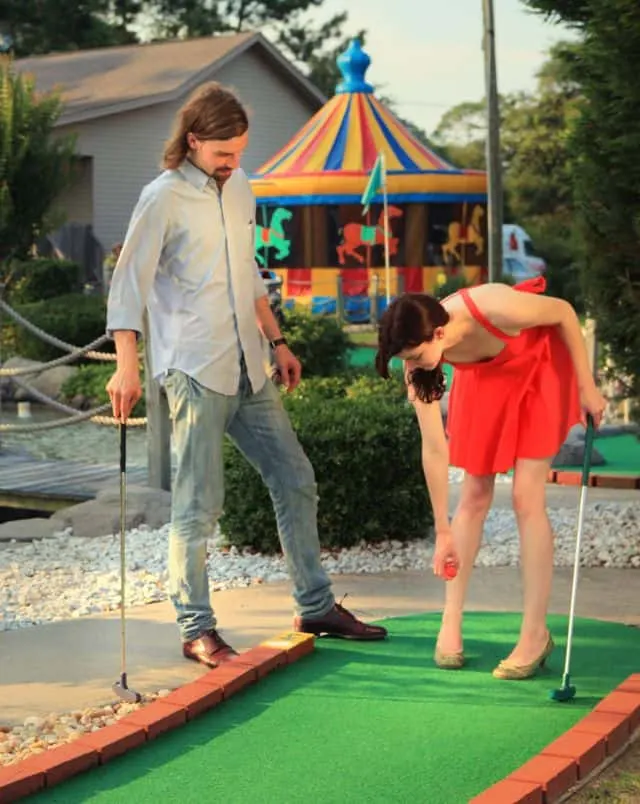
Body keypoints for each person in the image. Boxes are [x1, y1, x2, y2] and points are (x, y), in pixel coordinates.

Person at [105, 82, 387, 668]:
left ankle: (315, 605)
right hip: (195, 368)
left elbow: (248, 275)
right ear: (193, 142)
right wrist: (127, 367)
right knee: (198, 503)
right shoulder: (161, 198)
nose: (233, 164)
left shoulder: (240, 191)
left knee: (296, 478)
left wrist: (278, 339)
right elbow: (127, 285)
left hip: (250, 365)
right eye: (223, 154)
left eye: (239, 153)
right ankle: (195, 628)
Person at [375, 277, 606, 679]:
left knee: (524, 496)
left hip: (538, 365)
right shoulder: (419, 366)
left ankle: (535, 633)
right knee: (474, 495)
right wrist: (442, 531)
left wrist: (587, 386)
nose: (409, 366)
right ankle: (450, 620)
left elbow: (564, 313)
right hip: (485, 377)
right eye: (404, 359)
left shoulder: (496, 306)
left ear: (440, 333)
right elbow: (433, 449)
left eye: (414, 355)